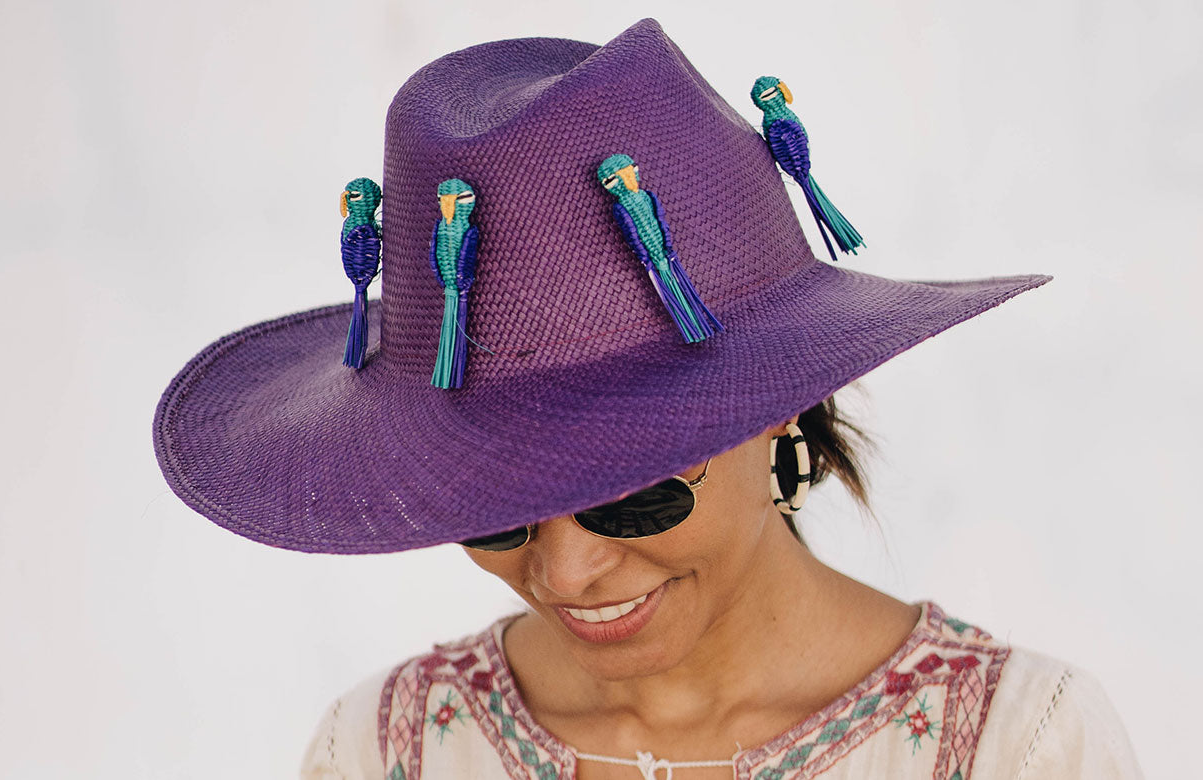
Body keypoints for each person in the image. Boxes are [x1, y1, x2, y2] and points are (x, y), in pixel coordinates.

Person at [151, 18, 1143, 780]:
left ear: (777, 405)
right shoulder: (385, 750)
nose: (568, 572)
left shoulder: (1023, 746)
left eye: (632, 494)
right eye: (495, 511)